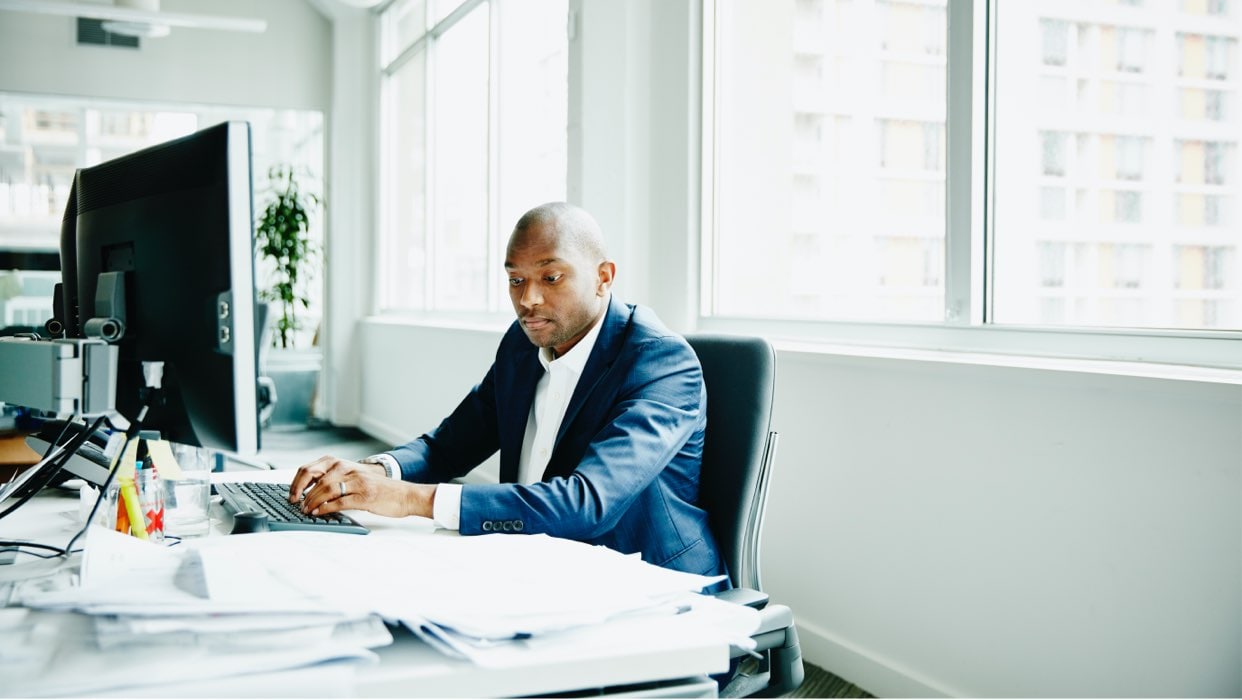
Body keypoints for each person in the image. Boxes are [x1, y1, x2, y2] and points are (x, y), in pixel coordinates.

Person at [288, 202, 725, 579]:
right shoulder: (522, 345)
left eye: (550, 278)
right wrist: (371, 474)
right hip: (536, 566)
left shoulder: (660, 363)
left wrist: (406, 499)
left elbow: (586, 503)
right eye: (516, 280)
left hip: (649, 587)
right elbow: (446, 448)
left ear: (603, 278)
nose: (527, 300)